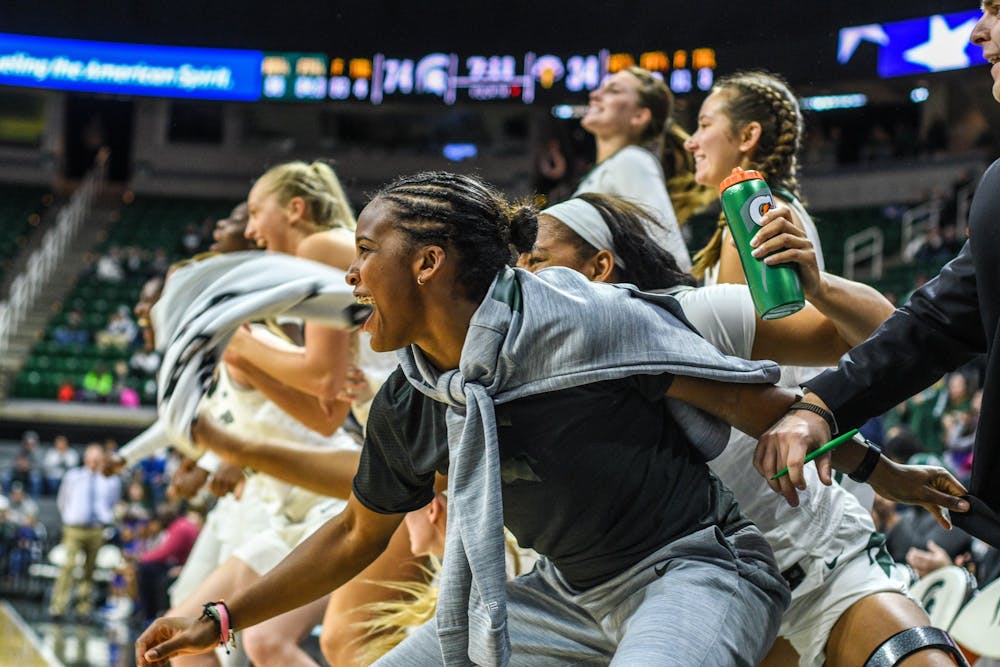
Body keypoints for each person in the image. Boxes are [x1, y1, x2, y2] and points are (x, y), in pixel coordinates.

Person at [133, 170, 958, 667]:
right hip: (569, 592)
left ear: (427, 262)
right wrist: (223, 616)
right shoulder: (416, 393)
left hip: (698, 569)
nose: (349, 276)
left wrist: (879, 470)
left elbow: (766, 407)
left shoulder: (591, 316)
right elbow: (355, 532)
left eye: (365, 252)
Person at [519, 193, 971, 666]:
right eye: (518, 266)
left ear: (599, 267)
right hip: (704, 609)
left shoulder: (693, 315)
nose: (524, 278)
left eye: (538, 260)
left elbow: (888, 334)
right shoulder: (543, 395)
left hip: (821, 574)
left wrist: (817, 286)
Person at [756, 0, 1000, 552]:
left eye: (999, 11)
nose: (978, 33)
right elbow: (934, 323)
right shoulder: (996, 189)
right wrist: (820, 406)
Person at [575, 66, 704, 269]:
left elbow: (673, 261)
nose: (594, 95)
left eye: (613, 90)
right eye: (601, 88)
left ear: (639, 116)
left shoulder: (632, 161)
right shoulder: (613, 166)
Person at [50, 444, 122, 620]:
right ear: (86, 459)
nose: (94, 462)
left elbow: (113, 502)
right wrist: (69, 517)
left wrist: (105, 519)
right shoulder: (73, 476)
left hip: (96, 528)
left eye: (98, 459)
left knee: (90, 569)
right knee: (68, 566)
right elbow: (63, 500)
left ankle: (83, 609)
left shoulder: (110, 479)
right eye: (91, 458)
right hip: (74, 527)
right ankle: (58, 607)